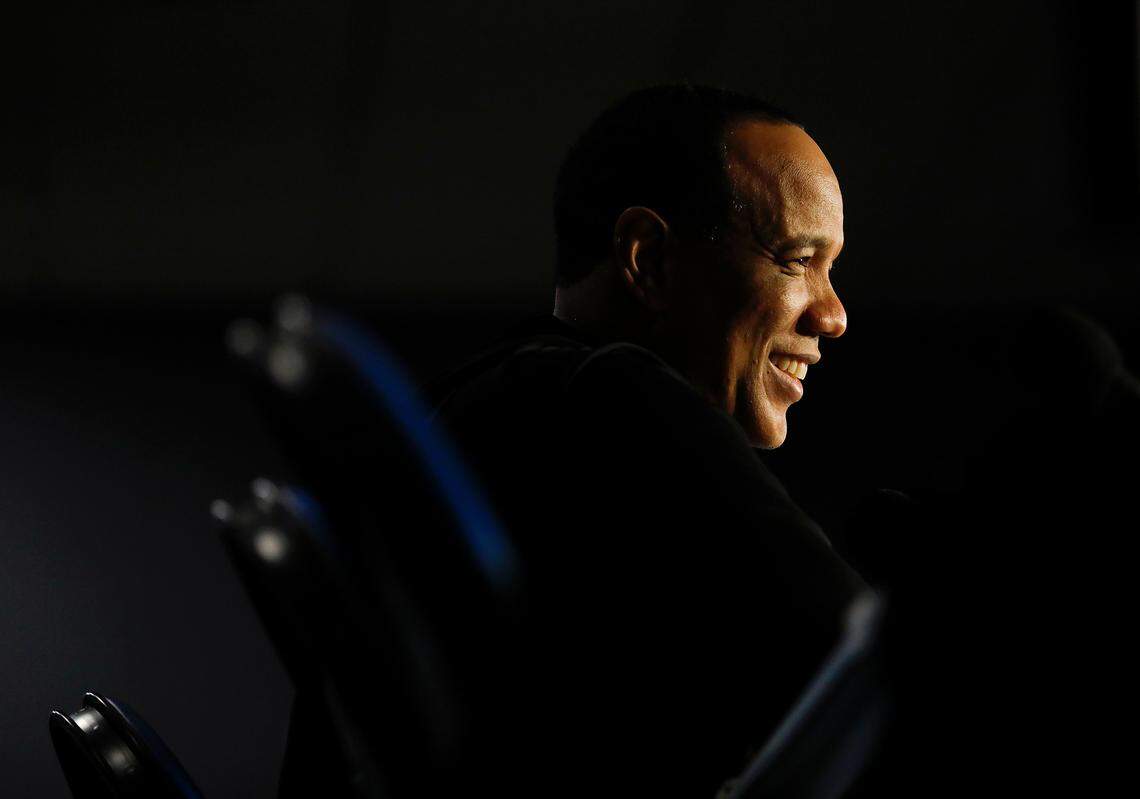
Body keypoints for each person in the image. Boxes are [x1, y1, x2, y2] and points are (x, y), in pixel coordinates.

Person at [429, 84, 866, 797]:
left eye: (832, 269)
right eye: (795, 259)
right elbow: (870, 671)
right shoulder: (616, 399)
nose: (835, 315)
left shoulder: (481, 403)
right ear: (651, 260)